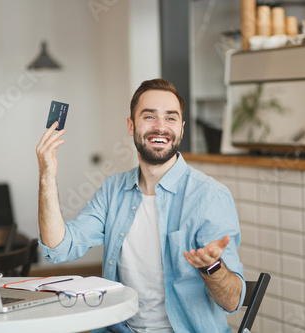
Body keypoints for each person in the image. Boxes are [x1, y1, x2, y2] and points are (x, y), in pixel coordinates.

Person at [36, 79, 245, 333]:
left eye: (171, 118)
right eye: (149, 116)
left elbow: (233, 301)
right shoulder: (113, 191)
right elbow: (59, 248)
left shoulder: (210, 197)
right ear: (131, 125)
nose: (160, 127)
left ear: (181, 129)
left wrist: (212, 267)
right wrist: (47, 175)